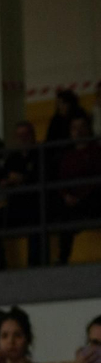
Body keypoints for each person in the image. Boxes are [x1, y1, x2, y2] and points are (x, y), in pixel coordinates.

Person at [55, 113, 100, 265]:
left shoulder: (97, 152)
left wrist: (81, 197)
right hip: (73, 204)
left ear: (89, 129)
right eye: (74, 128)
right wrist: (66, 196)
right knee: (61, 214)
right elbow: (61, 181)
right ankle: (62, 259)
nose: (78, 131)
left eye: (82, 127)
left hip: (92, 200)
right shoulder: (67, 156)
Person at [0, 122, 45, 266]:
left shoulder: (40, 154)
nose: (23, 139)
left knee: (36, 221)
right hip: (15, 206)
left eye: (26, 135)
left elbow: (42, 177)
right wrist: (8, 181)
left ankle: (34, 265)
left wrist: (22, 179)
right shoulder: (12, 158)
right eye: (20, 136)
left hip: (35, 204)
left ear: (33, 135)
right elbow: (3, 178)